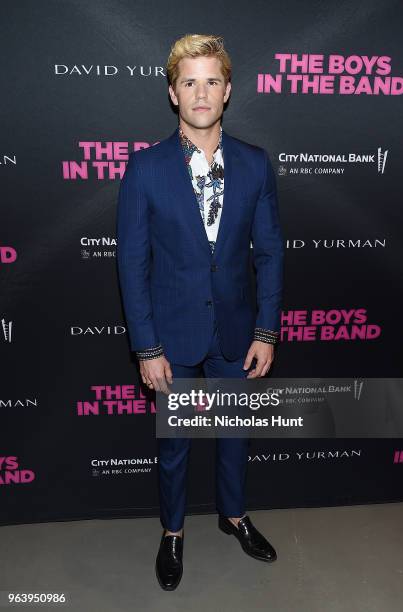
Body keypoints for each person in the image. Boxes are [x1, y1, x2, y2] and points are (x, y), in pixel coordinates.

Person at [116, 33, 284, 590]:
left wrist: (266, 330)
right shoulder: (144, 169)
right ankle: (173, 533)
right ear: (173, 94)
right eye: (189, 81)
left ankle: (234, 515)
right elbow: (132, 266)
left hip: (237, 331)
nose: (201, 91)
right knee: (176, 445)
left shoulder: (256, 166)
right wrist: (147, 347)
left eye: (212, 80)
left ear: (228, 90)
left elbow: (269, 252)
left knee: (236, 434)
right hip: (174, 334)